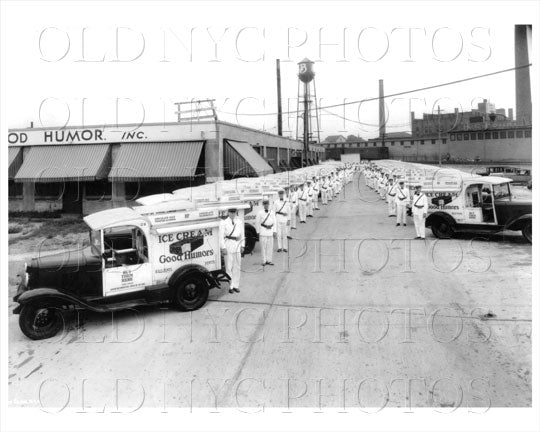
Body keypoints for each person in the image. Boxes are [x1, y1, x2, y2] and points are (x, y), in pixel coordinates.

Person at [220, 208, 244, 294]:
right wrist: (223, 247)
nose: (232, 214)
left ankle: (236, 285)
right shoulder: (223, 222)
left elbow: (242, 234)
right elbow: (221, 236)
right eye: (231, 212)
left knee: (237, 266)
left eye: (234, 212)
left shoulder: (239, 222)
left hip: (237, 245)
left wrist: (242, 245)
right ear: (228, 212)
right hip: (228, 245)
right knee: (229, 267)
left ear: (236, 212)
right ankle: (230, 286)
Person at [256, 199, 276, 266]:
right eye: (265, 204)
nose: (266, 205)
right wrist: (258, 232)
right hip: (263, 231)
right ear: (263, 205)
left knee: (270, 247)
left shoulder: (272, 212)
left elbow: (274, 222)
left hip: (270, 231)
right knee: (263, 247)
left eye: (267, 204)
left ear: (268, 204)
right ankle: (264, 261)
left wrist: (274, 231)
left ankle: (269, 260)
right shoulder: (260, 213)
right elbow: (257, 223)